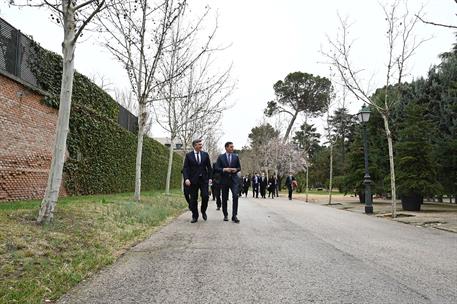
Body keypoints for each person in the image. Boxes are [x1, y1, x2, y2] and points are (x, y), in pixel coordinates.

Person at [182, 139, 212, 223]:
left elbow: (209, 168)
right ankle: (195, 216)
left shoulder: (205, 155)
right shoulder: (189, 156)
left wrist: (210, 178)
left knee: (205, 196)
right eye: (199, 144)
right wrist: (186, 179)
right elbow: (185, 168)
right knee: (193, 199)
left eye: (201, 144)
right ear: (195, 146)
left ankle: (203, 210)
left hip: (203, 180)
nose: (201, 146)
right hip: (193, 181)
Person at [215, 141, 241, 223]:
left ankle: (234, 215)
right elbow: (216, 168)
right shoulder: (221, 157)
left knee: (235, 196)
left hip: (234, 180)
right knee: (224, 198)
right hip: (224, 180)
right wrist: (224, 169)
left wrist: (235, 169)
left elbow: (239, 167)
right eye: (231, 147)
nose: (232, 148)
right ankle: (225, 215)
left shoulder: (236, 157)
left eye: (233, 147)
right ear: (226, 148)